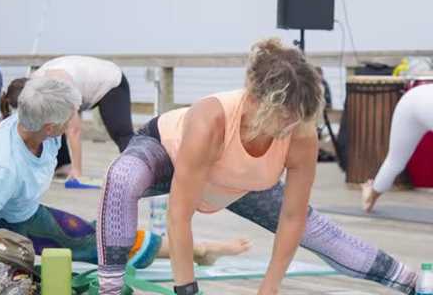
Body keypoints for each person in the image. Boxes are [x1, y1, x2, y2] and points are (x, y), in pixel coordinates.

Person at [96, 38, 418, 295]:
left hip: (236, 182)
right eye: (284, 115)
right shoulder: (211, 121)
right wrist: (187, 290)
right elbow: (179, 217)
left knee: (318, 229)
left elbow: (293, 217)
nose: (292, 125)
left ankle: (410, 281)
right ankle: (110, 289)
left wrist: (270, 287)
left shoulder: (299, 132)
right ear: (256, 98)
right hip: (167, 155)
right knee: (122, 176)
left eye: (298, 117)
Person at [0, 76, 250, 267]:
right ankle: (199, 251)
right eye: (71, 114)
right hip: (2, 219)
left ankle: (198, 250)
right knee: (97, 240)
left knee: (99, 232)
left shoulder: (30, 121)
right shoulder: (3, 170)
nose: (75, 117)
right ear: (50, 126)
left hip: (15, 207)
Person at [31, 56, 135, 186]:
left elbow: (74, 130)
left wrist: (77, 172)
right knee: (50, 123)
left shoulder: (60, 85)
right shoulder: (33, 86)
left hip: (109, 80)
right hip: (79, 81)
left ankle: (141, 171)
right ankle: (62, 165)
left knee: (122, 134)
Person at [362, 83, 433, 213]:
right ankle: (369, 199)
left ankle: (369, 199)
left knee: (394, 162)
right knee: (395, 162)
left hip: (416, 101)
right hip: (412, 104)